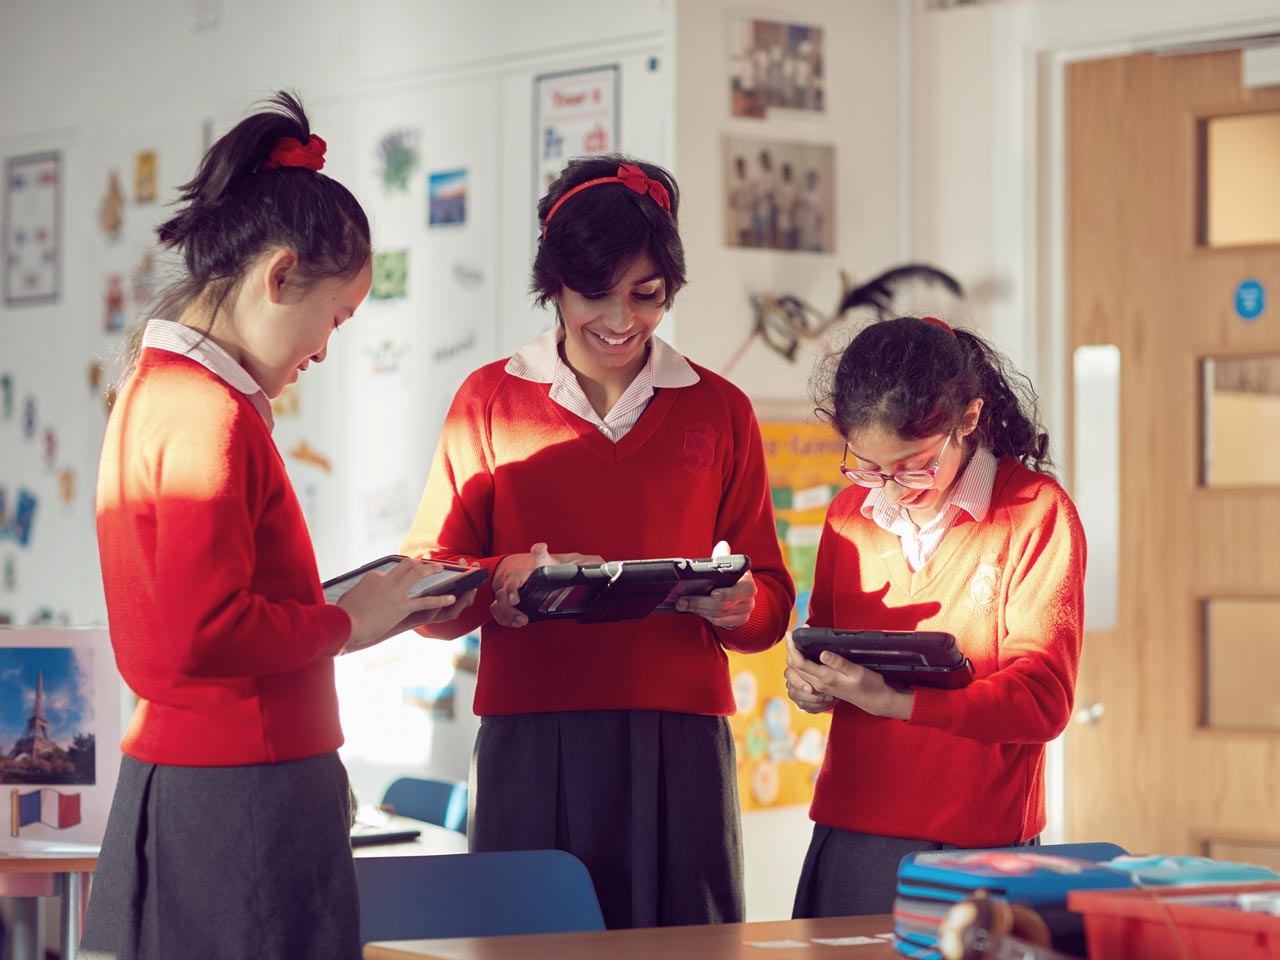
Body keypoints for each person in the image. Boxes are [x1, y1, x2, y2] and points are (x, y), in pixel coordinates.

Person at [83, 91, 474, 960]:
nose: (327, 348)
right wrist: (348, 620)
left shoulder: (161, 391)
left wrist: (354, 612)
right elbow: (208, 630)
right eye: (334, 318)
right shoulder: (207, 415)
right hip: (243, 790)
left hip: (206, 779)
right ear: (278, 275)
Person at [401, 154, 796, 929]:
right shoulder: (488, 401)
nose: (621, 320)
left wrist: (739, 606)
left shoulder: (720, 410)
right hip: (532, 742)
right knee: (528, 945)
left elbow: (772, 605)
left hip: (681, 746)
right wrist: (501, 577)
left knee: (689, 949)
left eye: (646, 296)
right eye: (594, 295)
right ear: (553, 285)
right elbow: (426, 590)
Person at [785, 315, 1085, 918]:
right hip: (853, 828)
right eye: (868, 465)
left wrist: (901, 702)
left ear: (968, 420)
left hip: (979, 843)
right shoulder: (849, 514)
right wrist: (809, 685)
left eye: (913, 464)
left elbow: (1043, 700)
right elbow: (824, 642)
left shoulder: (1034, 513)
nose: (889, 489)